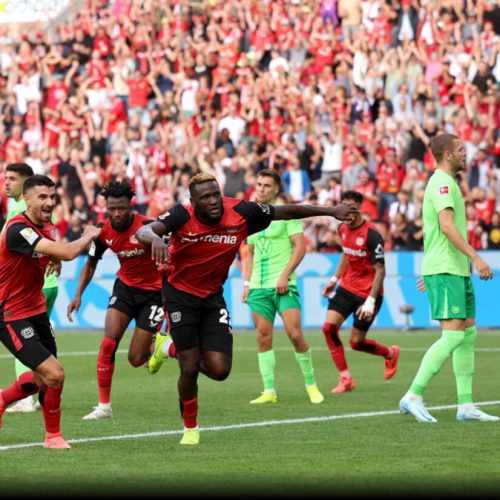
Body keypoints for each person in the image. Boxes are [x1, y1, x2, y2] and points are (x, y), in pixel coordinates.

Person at [136, 173, 358, 446]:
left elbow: (285, 212)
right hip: (179, 296)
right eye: (205, 197)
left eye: (215, 194)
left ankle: (164, 347)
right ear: (194, 202)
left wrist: (330, 211)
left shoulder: (241, 212)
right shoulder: (182, 215)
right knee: (190, 365)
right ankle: (190, 428)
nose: (213, 201)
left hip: (212, 298)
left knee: (220, 370)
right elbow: (143, 231)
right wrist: (155, 238)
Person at [399, 134, 498, 423]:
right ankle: (413, 396)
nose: (466, 153)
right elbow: (445, 226)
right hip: (447, 268)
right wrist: (476, 257)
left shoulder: (448, 182)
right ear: (446, 155)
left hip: (451, 268)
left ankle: (465, 406)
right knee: (453, 335)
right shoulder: (442, 182)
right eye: (460, 150)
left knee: (467, 334)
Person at [0, 175, 100, 449]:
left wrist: (53, 259)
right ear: (27, 199)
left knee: (45, 378)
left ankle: (4, 399)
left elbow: (54, 252)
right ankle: (52, 437)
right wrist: (89, 236)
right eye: (42, 197)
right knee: (55, 374)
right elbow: (68, 252)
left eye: (52, 197)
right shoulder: (19, 228)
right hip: (9, 314)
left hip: (36, 310)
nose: (48, 202)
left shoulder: (45, 227)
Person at [67, 180, 172, 420]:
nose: (116, 213)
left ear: (130, 205)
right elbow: (91, 263)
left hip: (153, 295)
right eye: (112, 209)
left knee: (135, 360)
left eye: (122, 208)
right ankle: (104, 406)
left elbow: (173, 257)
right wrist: (77, 295)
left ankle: (158, 346)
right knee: (108, 342)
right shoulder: (104, 231)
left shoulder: (149, 227)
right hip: (125, 288)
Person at [241, 169, 324, 405]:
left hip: (284, 285)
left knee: (295, 334)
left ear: (276, 189)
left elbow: (300, 248)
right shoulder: (250, 219)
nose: (261, 189)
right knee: (263, 337)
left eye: (267, 185)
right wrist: (247, 283)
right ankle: (269, 391)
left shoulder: (287, 215)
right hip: (258, 287)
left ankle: (311, 385)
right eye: (258, 184)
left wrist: (284, 275)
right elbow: (250, 254)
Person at [321, 190, 400, 394]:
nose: (348, 213)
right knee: (328, 328)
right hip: (346, 287)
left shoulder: (372, 235)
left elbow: (381, 270)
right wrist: (334, 279)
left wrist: (371, 301)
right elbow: (346, 254)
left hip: (368, 294)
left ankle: (390, 354)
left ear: (360, 208)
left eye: (352, 208)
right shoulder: (342, 228)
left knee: (356, 343)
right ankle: (345, 378)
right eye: (345, 208)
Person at [2, 163, 60, 414]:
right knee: (43, 363)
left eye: (12, 179)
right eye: (6, 178)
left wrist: (56, 255)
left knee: (39, 361)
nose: (6, 183)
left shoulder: (21, 207)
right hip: (32, 292)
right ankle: (22, 399)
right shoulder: (23, 213)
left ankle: (22, 399)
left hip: (36, 289)